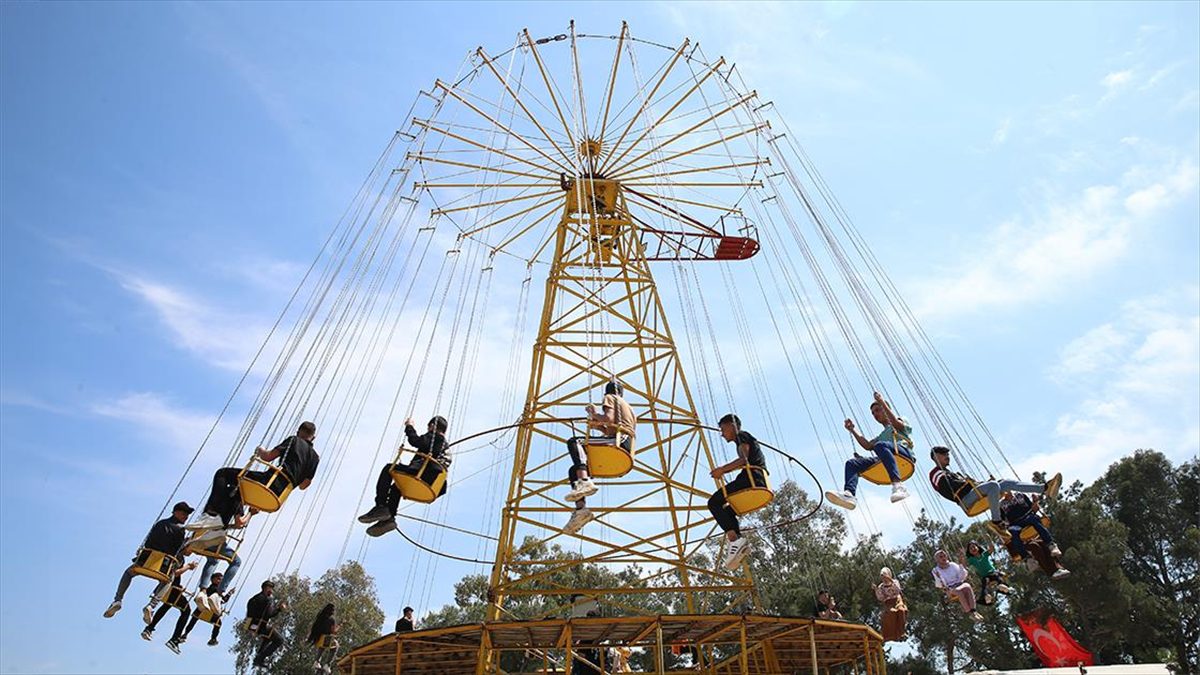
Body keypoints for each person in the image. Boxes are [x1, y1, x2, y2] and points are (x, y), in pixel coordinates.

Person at [563, 381, 637, 534]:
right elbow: (609, 427)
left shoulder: (610, 398)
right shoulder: (628, 407)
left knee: (574, 442)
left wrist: (594, 413)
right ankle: (581, 510)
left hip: (619, 440)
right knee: (573, 471)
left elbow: (608, 419)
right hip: (624, 443)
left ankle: (584, 481)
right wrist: (596, 422)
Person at [358, 416, 450, 537]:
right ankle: (389, 518)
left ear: (432, 426)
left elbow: (415, 441)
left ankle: (380, 506)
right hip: (434, 484)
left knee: (388, 469)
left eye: (429, 427)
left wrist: (409, 426)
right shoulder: (444, 445)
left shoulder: (435, 437)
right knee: (397, 487)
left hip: (423, 474)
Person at [104, 501, 195, 618]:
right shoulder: (181, 530)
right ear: (176, 512)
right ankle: (151, 606)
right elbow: (176, 550)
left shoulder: (160, 523)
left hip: (145, 561)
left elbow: (149, 542)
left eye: (187, 514)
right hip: (163, 566)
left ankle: (117, 600)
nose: (186, 517)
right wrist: (186, 546)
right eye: (184, 513)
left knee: (128, 572)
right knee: (169, 579)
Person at [927, 445, 1062, 524]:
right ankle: (997, 521)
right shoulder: (936, 473)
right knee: (992, 485)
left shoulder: (952, 472)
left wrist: (980, 483)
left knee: (1006, 483)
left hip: (973, 493)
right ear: (936, 457)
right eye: (944, 454)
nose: (947, 456)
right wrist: (971, 484)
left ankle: (1044, 489)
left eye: (947, 454)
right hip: (965, 500)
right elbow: (948, 489)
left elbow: (966, 484)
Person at [826, 392, 914, 509]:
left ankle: (898, 485)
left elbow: (897, 425)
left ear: (885, 409)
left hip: (903, 454)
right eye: (873, 413)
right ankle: (849, 494)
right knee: (852, 464)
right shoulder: (881, 436)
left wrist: (881, 401)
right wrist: (852, 430)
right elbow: (867, 445)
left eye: (877, 410)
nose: (875, 414)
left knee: (880, 446)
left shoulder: (901, 419)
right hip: (885, 455)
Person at [707, 414, 766, 570]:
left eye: (723, 429)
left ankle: (734, 540)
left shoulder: (742, 436)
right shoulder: (743, 439)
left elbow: (744, 460)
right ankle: (738, 541)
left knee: (714, 502)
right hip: (757, 479)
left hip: (751, 479)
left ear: (732, 425)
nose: (722, 433)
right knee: (727, 510)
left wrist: (722, 470)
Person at [1000, 491, 1071, 579]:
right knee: (1034, 546)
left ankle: (1055, 563)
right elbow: (1004, 522)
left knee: (1041, 543)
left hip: (1027, 520)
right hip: (1018, 530)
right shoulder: (1002, 505)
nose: (1007, 492)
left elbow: (1033, 509)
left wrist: (1035, 502)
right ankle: (1048, 568)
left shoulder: (1020, 495)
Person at [139, 559, 200, 653]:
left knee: (166, 606)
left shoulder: (168, 556)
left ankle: (148, 629)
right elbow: (174, 573)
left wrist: (179, 586)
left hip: (168, 588)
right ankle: (174, 639)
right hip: (172, 589)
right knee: (186, 611)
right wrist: (188, 566)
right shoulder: (179, 558)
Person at [176, 571, 232, 648]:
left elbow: (222, 600)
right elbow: (223, 600)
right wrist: (228, 594)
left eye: (221, 580)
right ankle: (213, 638)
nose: (220, 581)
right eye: (218, 579)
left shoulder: (211, 590)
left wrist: (228, 594)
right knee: (218, 624)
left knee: (194, 620)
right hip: (210, 613)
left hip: (201, 611)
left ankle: (185, 634)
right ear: (213, 580)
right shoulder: (213, 589)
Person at [931, 549, 983, 622]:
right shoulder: (936, 570)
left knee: (967, 586)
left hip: (959, 584)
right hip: (950, 588)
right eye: (941, 557)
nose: (943, 558)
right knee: (959, 592)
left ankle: (973, 611)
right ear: (937, 560)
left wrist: (961, 563)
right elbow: (939, 584)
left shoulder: (952, 565)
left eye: (944, 556)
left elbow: (962, 575)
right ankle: (970, 613)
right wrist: (940, 581)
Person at [246, 580, 288, 668]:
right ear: (266, 589)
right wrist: (279, 609)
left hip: (251, 625)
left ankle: (259, 656)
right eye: (271, 589)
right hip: (260, 626)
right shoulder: (267, 599)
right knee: (279, 640)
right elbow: (270, 614)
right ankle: (260, 658)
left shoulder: (253, 598)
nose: (271, 591)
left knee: (268, 637)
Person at [873, 568, 907, 642]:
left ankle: (902, 632)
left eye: (885, 576)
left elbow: (898, 590)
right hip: (888, 603)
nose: (884, 579)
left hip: (897, 600)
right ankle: (890, 636)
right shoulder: (881, 586)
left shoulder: (895, 582)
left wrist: (891, 580)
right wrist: (876, 590)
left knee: (901, 610)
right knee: (891, 613)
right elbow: (881, 598)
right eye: (882, 577)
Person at [309, 603, 339, 674]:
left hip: (319, 638)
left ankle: (317, 661)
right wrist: (339, 627)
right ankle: (328, 664)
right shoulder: (332, 619)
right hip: (326, 639)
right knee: (336, 646)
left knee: (322, 647)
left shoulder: (320, 617)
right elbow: (333, 631)